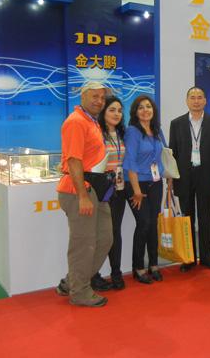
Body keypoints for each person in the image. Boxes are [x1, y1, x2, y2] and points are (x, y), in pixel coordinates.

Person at [56, 81, 113, 307]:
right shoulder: (76, 122)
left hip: (96, 189)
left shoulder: (92, 121)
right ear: (82, 97)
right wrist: (82, 196)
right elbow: (73, 160)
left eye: (102, 97)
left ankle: (72, 282)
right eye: (94, 96)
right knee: (83, 244)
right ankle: (80, 292)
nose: (99, 101)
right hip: (80, 190)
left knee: (105, 239)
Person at [169, 86, 210, 272]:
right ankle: (189, 258)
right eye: (192, 97)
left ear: (205, 101)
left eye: (200, 97)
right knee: (187, 218)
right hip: (184, 176)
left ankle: (206, 257)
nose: (196, 101)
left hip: (206, 176)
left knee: (205, 218)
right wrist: (172, 178)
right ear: (187, 101)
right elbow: (173, 153)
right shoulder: (176, 124)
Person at [123, 95, 164, 284]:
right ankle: (138, 267)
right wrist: (136, 190)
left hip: (156, 182)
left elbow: (164, 155)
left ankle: (153, 264)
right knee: (144, 223)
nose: (145, 110)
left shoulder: (157, 130)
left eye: (148, 106)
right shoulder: (133, 131)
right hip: (136, 184)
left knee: (153, 224)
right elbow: (130, 161)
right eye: (141, 107)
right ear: (135, 112)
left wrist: (167, 178)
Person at [90, 96, 128, 290]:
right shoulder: (96, 133)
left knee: (115, 232)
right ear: (103, 112)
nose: (116, 114)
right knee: (99, 234)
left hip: (119, 189)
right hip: (101, 190)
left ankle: (116, 272)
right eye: (112, 110)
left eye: (119, 110)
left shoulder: (122, 133)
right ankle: (93, 275)